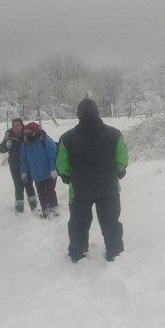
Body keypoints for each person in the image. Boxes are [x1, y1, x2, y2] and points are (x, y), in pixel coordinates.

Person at [56, 98, 129, 263]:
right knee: (110, 222)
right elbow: (122, 158)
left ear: (78, 114)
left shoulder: (67, 138)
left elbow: (61, 163)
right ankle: (115, 252)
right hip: (108, 187)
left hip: (80, 190)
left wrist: (67, 176)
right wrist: (120, 171)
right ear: (97, 111)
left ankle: (77, 253)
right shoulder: (114, 134)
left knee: (78, 224)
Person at [0, 118, 39, 214]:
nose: (16, 127)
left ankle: (34, 206)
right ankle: (19, 208)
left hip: (27, 166)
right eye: (14, 125)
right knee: (18, 186)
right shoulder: (9, 135)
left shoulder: (26, 134)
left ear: (22, 126)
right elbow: (0, 149)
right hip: (14, 165)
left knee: (28, 185)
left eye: (18, 125)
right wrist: (6, 143)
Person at [20, 121, 59, 218]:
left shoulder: (45, 140)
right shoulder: (25, 143)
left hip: (49, 173)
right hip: (36, 174)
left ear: (34, 131)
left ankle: (54, 209)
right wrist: (24, 171)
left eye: (29, 132)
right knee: (41, 193)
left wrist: (53, 169)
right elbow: (23, 159)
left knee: (50, 191)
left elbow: (53, 155)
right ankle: (45, 210)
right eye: (26, 133)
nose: (27, 134)